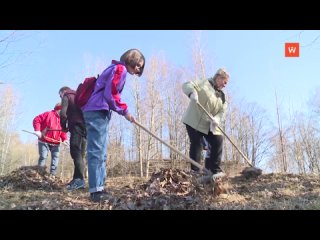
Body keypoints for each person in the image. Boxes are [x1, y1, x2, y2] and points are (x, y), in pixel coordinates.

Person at [82, 49, 145, 202]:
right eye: (138, 65)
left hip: (97, 111)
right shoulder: (120, 69)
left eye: (140, 68)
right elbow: (111, 94)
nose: (138, 69)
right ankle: (96, 191)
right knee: (97, 151)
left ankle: (100, 187)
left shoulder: (115, 68)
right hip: (96, 110)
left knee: (101, 151)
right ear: (131, 60)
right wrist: (125, 111)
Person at [182, 68, 230, 181]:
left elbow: (222, 111)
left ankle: (213, 170)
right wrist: (192, 92)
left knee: (218, 139)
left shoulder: (222, 97)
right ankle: (196, 172)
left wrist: (217, 119)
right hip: (194, 120)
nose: (225, 85)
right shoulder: (205, 83)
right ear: (219, 78)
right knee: (197, 142)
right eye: (225, 82)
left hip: (208, 124)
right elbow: (187, 85)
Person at [59, 86, 87, 191]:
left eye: (59, 95)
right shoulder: (80, 94)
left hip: (76, 126)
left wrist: (63, 127)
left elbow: (63, 113)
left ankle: (79, 180)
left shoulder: (67, 95)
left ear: (63, 91)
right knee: (80, 154)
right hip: (86, 127)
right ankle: (77, 180)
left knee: (75, 152)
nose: (60, 97)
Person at [33, 102, 68, 176]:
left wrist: (65, 139)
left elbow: (63, 131)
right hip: (44, 140)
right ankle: (40, 174)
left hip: (56, 143)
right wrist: (37, 130)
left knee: (55, 158)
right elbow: (36, 120)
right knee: (43, 157)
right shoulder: (48, 114)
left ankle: (53, 175)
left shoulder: (63, 120)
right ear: (58, 109)